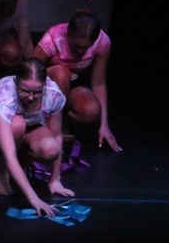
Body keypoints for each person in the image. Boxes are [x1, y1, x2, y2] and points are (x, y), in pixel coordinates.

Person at [0, 58, 73, 216]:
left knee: (51, 149)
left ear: (44, 85)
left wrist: (55, 178)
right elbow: (10, 156)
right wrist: (34, 198)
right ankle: (3, 170)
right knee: (18, 124)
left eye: (37, 92)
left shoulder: (53, 94)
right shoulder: (5, 95)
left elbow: (56, 134)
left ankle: (22, 161)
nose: (31, 97)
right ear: (16, 82)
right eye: (25, 91)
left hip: (30, 127)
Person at [33, 9, 120, 152]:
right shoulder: (54, 37)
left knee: (92, 111)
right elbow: (31, 72)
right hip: (47, 89)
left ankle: (63, 122)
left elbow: (99, 83)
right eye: (76, 46)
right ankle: (50, 126)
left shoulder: (102, 42)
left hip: (71, 89)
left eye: (86, 47)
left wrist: (104, 124)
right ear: (68, 34)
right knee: (62, 73)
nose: (80, 51)